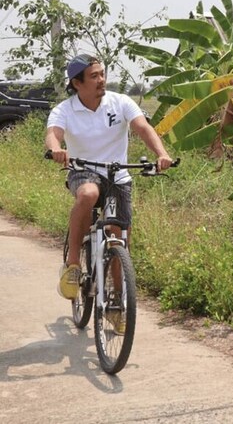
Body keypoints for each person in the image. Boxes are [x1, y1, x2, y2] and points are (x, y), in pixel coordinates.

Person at [45, 53, 173, 303]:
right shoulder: (65, 110)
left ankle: (116, 302)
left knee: (119, 237)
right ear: (77, 83)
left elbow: (143, 128)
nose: (101, 80)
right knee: (88, 194)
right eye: (94, 76)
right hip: (83, 170)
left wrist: (162, 154)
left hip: (117, 175)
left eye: (102, 74)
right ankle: (73, 266)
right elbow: (53, 134)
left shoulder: (120, 102)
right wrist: (56, 150)